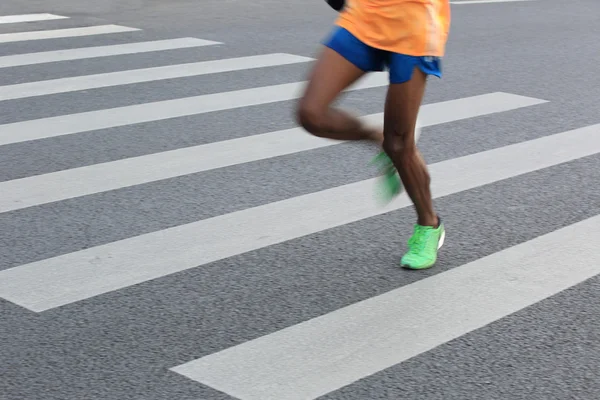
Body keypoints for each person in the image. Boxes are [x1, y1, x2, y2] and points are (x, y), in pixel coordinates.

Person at [296, 0, 450, 269]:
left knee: (399, 144)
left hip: (414, 24)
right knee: (311, 114)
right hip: (364, 15)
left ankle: (429, 224)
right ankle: (376, 137)